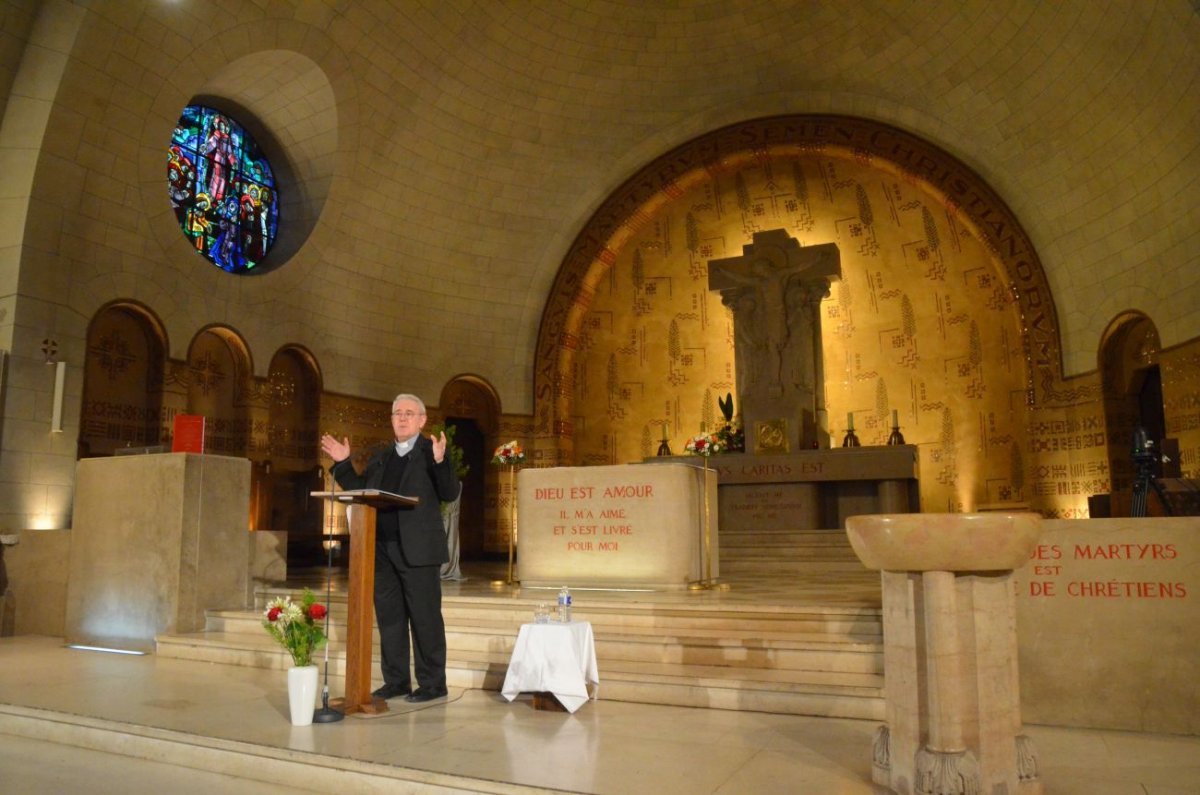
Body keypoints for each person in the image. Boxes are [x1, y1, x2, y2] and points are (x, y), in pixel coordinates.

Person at [319, 394, 460, 703]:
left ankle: (433, 683)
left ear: (422, 420)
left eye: (409, 413)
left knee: (425, 618)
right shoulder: (382, 456)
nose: (402, 418)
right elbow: (362, 491)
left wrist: (440, 461)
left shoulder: (430, 452)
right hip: (381, 548)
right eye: (397, 413)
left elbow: (449, 491)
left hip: (419, 550)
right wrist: (343, 463)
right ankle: (397, 680)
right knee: (390, 617)